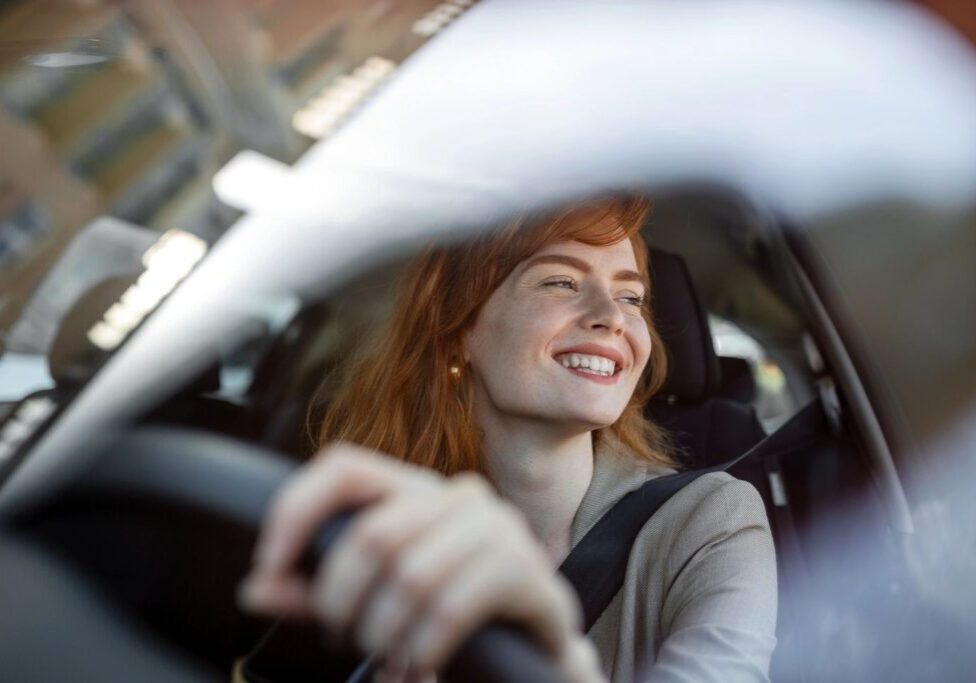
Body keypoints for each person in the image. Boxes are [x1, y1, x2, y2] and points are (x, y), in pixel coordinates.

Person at [238, 196, 777, 682]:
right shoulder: (377, 531)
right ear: (460, 333)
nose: (612, 317)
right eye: (561, 282)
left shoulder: (713, 520)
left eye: (631, 297)